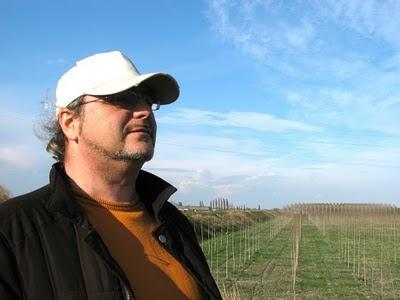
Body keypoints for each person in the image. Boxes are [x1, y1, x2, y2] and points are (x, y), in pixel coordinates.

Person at [0, 51, 221, 299]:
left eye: (148, 100)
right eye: (122, 98)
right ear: (70, 121)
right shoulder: (12, 233)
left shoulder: (173, 222)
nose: (146, 111)